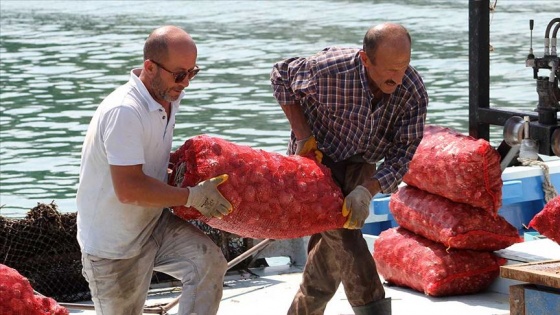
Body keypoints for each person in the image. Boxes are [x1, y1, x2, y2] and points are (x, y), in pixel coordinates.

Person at [270, 23, 428, 315]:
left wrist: (367, 191)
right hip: (318, 157)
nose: (398, 77)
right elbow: (281, 74)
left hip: (362, 162)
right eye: (390, 69)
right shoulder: (332, 69)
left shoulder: (413, 93)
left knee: (331, 254)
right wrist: (303, 135)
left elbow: (402, 155)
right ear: (366, 59)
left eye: (404, 66)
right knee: (345, 236)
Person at [76, 25, 233, 315]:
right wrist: (191, 196)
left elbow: (149, 157)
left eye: (192, 73)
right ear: (149, 67)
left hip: (153, 225)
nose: (185, 83)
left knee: (209, 264)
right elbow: (129, 189)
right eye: (179, 74)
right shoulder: (124, 111)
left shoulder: (168, 95)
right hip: (114, 247)